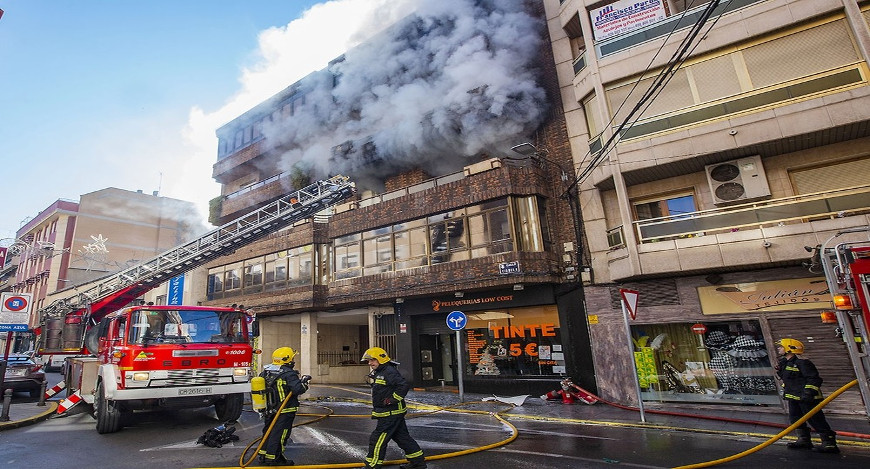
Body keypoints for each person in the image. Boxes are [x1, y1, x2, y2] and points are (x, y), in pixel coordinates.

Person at [361, 347, 426, 469]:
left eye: (372, 360)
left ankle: (372, 465)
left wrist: (392, 400)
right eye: (368, 361)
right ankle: (418, 463)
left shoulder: (389, 371)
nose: (370, 363)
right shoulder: (381, 372)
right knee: (402, 438)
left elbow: (403, 386)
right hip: (391, 412)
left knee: (378, 439)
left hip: (390, 413)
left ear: (381, 359)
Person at [775, 338, 839, 453]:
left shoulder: (802, 363)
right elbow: (788, 378)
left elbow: (814, 379)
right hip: (793, 397)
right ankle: (804, 440)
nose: (779, 349)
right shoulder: (785, 362)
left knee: (815, 419)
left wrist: (808, 393)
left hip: (807, 398)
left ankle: (829, 443)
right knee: (795, 419)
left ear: (789, 348)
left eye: (781, 347)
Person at [258, 346, 311, 466]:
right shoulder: (289, 373)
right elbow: (298, 389)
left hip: (270, 409)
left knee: (268, 431)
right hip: (285, 410)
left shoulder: (266, 371)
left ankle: (263, 454)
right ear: (286, 359)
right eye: (292, 358)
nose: (293, 361)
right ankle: (274, 458)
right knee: (281, 434)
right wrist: (304, 382)